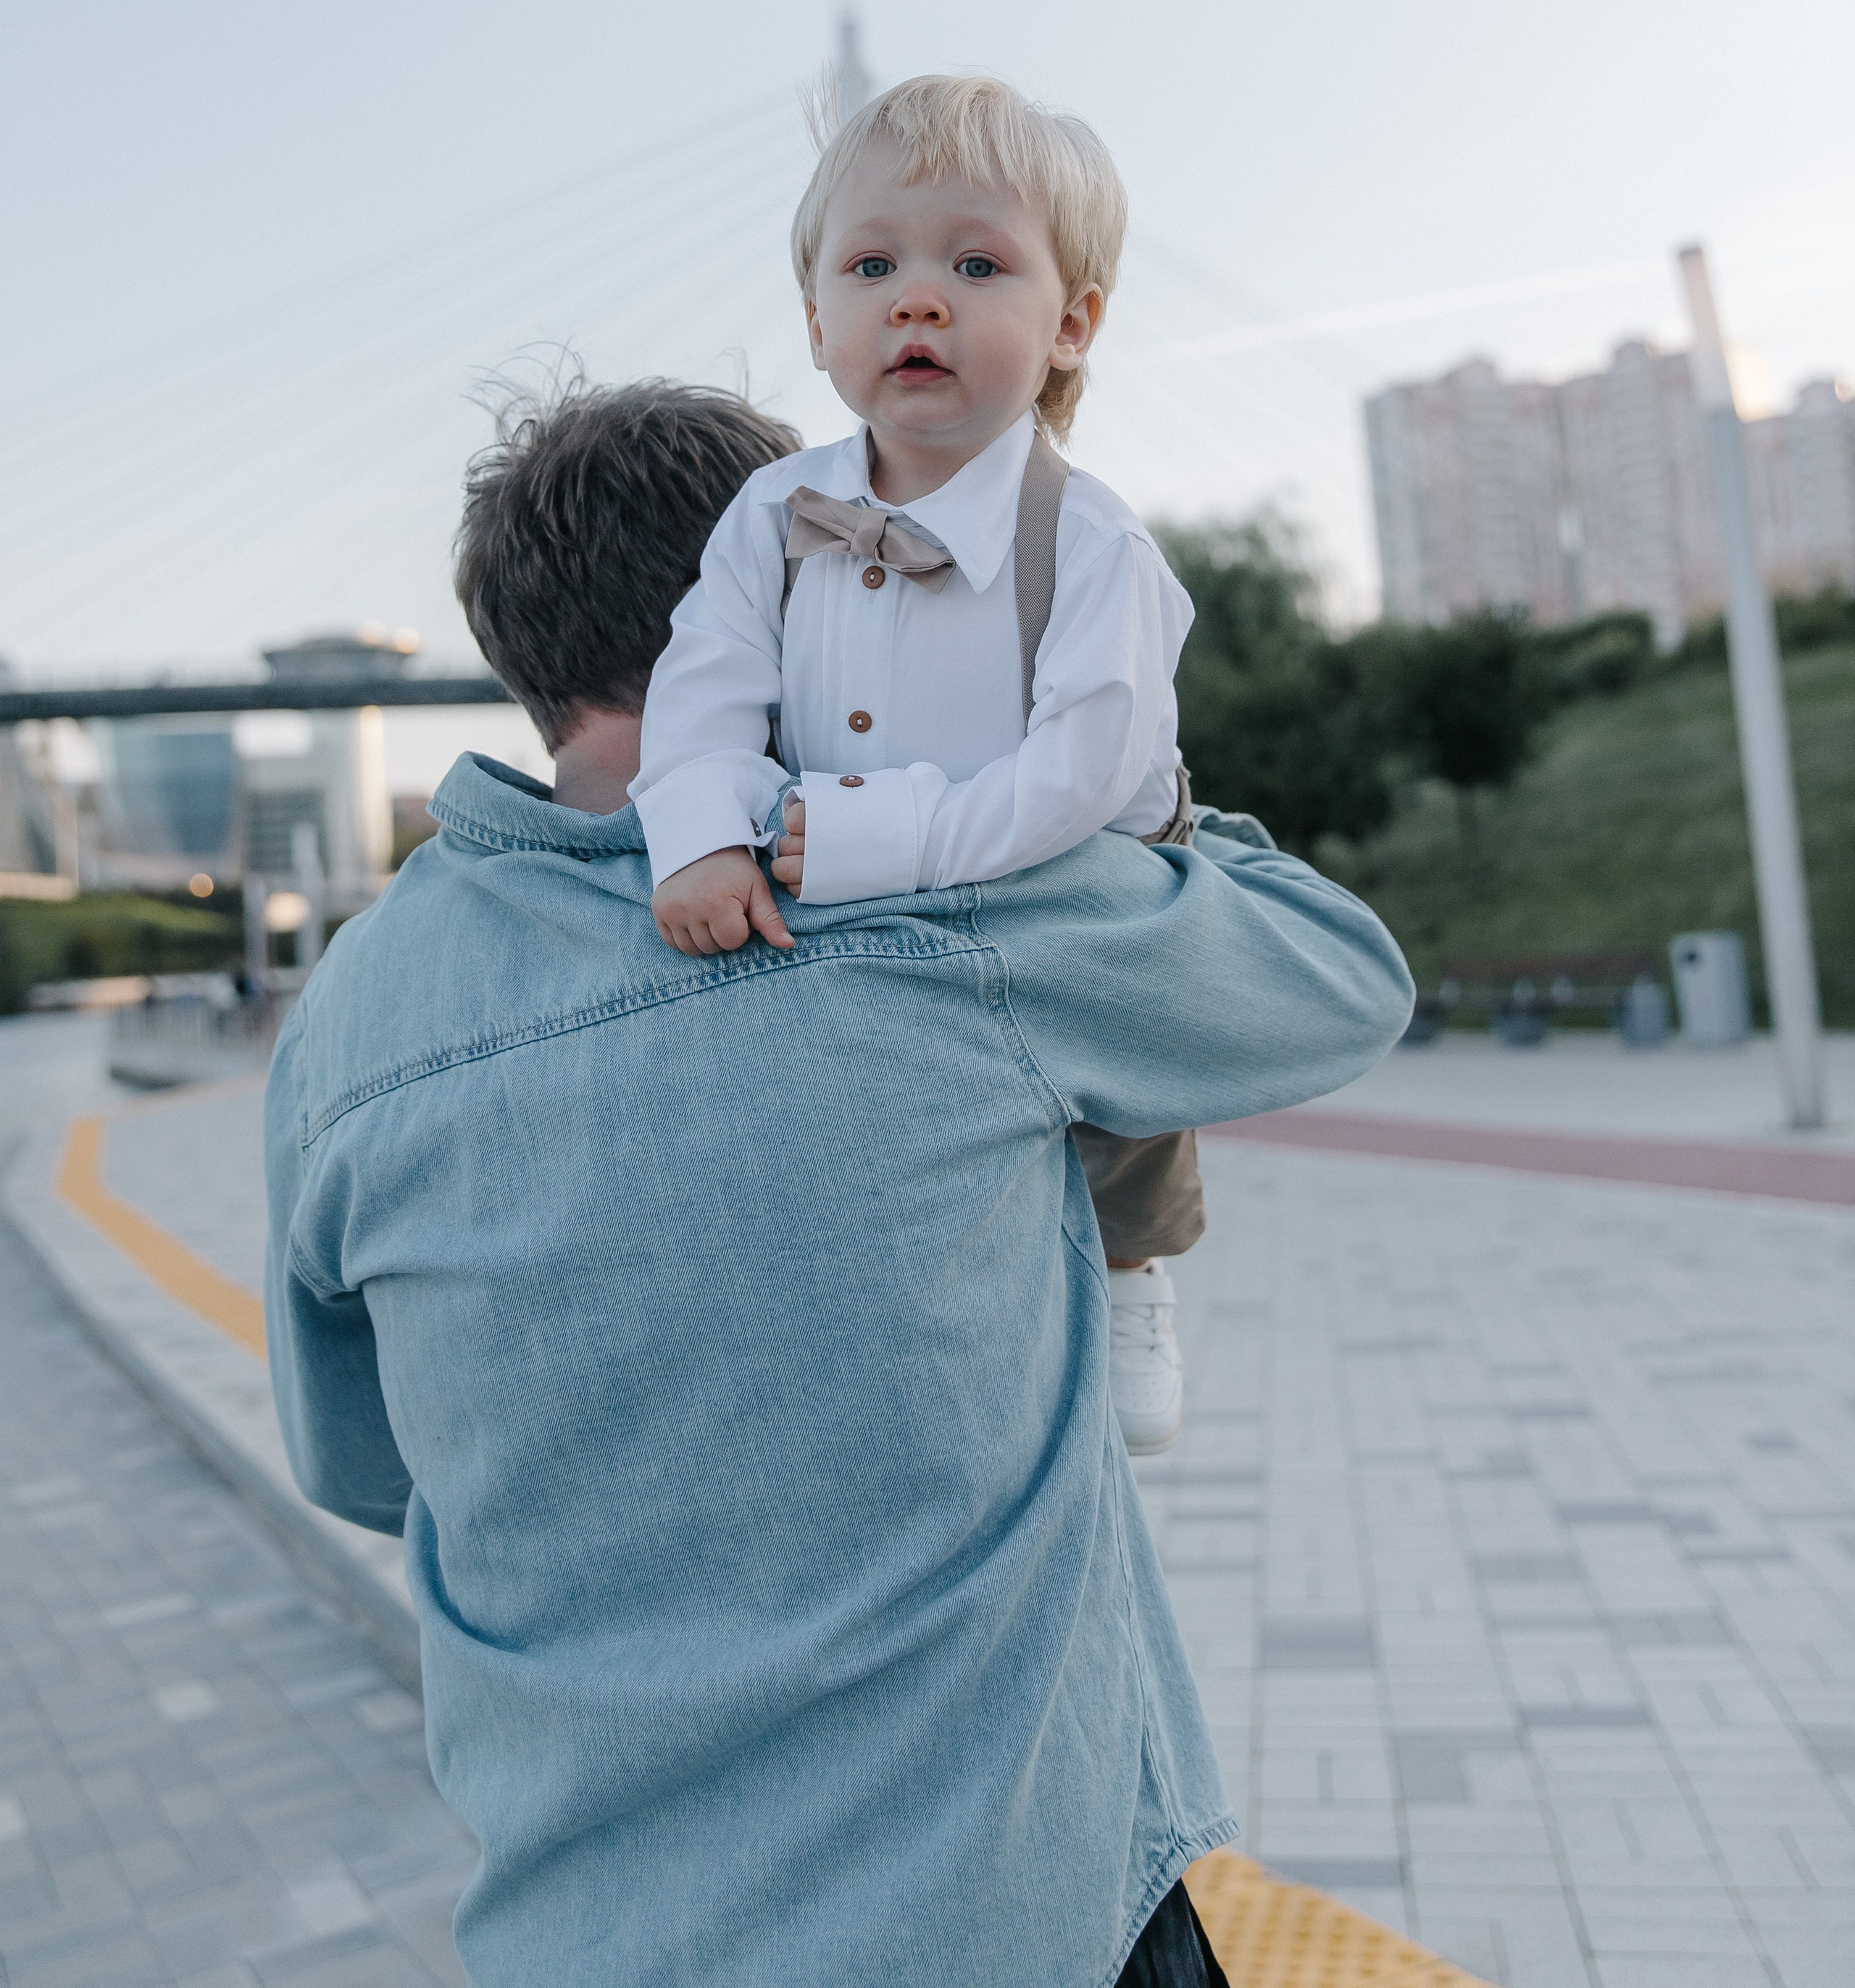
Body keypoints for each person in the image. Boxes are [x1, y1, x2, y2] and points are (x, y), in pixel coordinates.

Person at [264, 376, 1414, 1988]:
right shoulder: (922, 899)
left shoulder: (346, 1017)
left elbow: (363, 1465)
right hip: (1014, 1916)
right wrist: (1073, 771)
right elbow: (1339, 974)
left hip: (589, 1941)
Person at [630, 75, 1204, 1452]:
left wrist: (888, 838)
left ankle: (1133, 1265)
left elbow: (1078, 773)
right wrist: (700, 835)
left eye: (977, 265)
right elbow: (702, 690)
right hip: (856, 878)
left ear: (1071, 325)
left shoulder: (1094, 542)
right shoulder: (774, 510)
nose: (919, 301)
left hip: (1073, 863)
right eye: (873, 266)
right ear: (816, 321)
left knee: (1122, 1059)